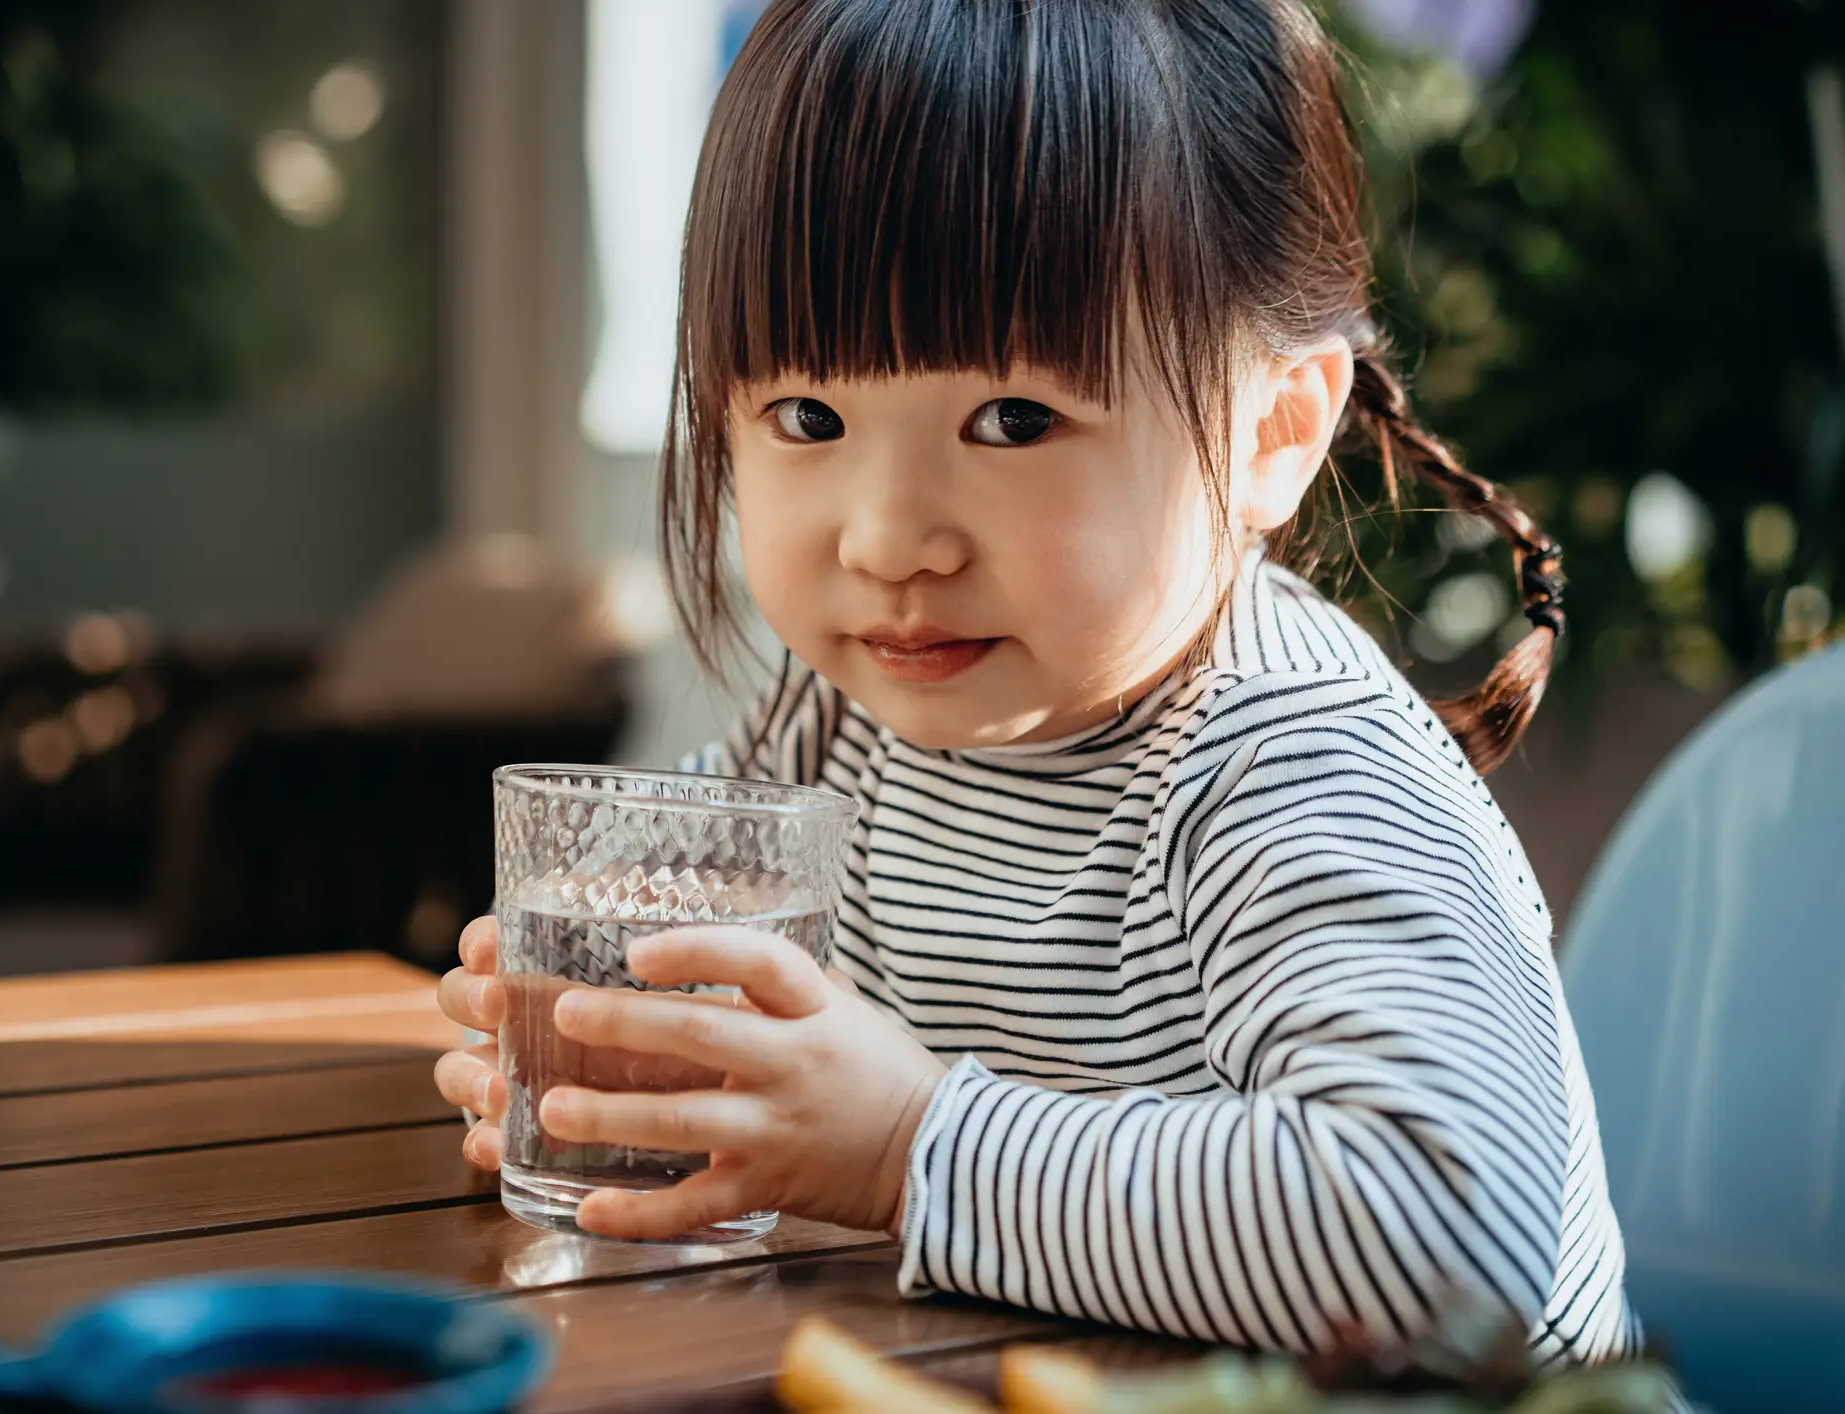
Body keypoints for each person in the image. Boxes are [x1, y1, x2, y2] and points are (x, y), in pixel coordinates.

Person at [436, 0, 1635, 1363]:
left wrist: (906, 1144)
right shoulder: (840, 721)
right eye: (809, 418)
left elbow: (1457, 1242)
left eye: (1013, 421)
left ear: (1274, 429)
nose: (888, 539)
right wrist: (609, 1044)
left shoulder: (1284, 772)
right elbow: (709, 969)